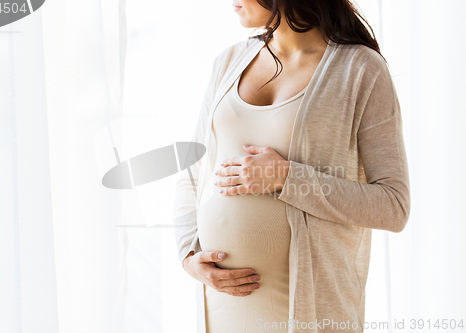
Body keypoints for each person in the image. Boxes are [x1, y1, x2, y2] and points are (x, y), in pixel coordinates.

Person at [173, 0, 410, 332]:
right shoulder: (228, 62)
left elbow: (393, 205)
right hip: (223, 307)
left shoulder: (359, 70)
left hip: (310, 312)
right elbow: (192, 174)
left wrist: (286, 177)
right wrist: (188, 255)